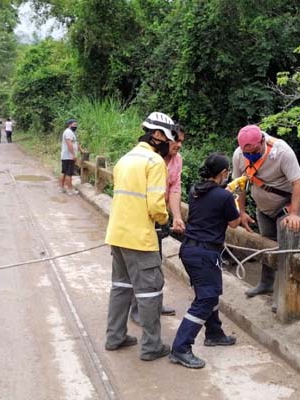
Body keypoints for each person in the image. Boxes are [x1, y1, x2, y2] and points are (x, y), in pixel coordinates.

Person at [104, 111, 176, 361]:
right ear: (157, 135)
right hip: (140, 239)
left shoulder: (124, 160)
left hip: (117, 235)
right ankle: (151, 346)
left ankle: (115, 337)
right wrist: (165, 220)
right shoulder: (154, 162)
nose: (170, 143)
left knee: (121, 288)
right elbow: (156, 205)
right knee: (149, 292)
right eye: (168, 138)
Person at [169, 152, 241, 369]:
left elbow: (212, 205)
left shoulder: (195, 191)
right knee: (206, 299)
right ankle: (180, 348)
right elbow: (235, 222)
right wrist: (234, 198)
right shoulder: (224, 196)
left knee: (208, 293)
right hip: (204, 254)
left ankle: (214, 332)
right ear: (223, 173)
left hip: (190, 249)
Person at [232, 125, 300, 303]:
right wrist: (241, 211)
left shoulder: (282, 152)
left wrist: (294, 214)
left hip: (285, 208)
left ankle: (284, 296)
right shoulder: (239, 155)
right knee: (266, 246)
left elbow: (298, 183)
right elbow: (239, 184)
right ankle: (266, 283)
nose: (250, 155)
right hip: (263, 209)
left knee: (286, 251)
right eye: (246, 152)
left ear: (262, 141)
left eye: (254, 151)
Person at [128, 125, 187, 322]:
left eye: (181, 142)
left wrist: (177, 216)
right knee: (142, 266)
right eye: (175, 140)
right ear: (165, 139)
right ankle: (137, 311)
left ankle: (155, 304)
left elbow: (175, 190)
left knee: (156, 263)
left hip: (159, 218)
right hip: (141, 220)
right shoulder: (150, 159)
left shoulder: (177, 161)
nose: (178, 145)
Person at [59, 119, 79, 195]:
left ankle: (62, 188)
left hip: (66, 156)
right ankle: (70, 190)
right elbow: (69, 144)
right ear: (69, 124)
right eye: (74, 124)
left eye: (76, 125)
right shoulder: (68, 132)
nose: (75, 126)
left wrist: (81, 149)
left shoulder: (71, 132)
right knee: (69, 173)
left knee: (64, 172)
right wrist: (73, 155)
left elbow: (75, 143)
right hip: (69, 156)